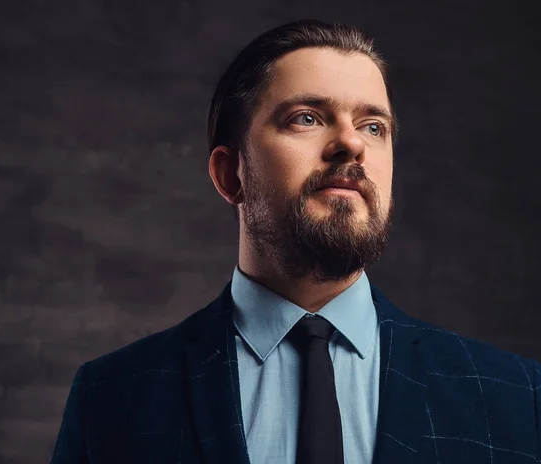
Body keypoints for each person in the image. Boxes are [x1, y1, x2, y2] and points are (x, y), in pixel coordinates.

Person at [50, 19, 541, 464]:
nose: (352, 143)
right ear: (230, 174)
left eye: (374, 126)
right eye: (306, 117)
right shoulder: (112, 399)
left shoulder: (519, 397)